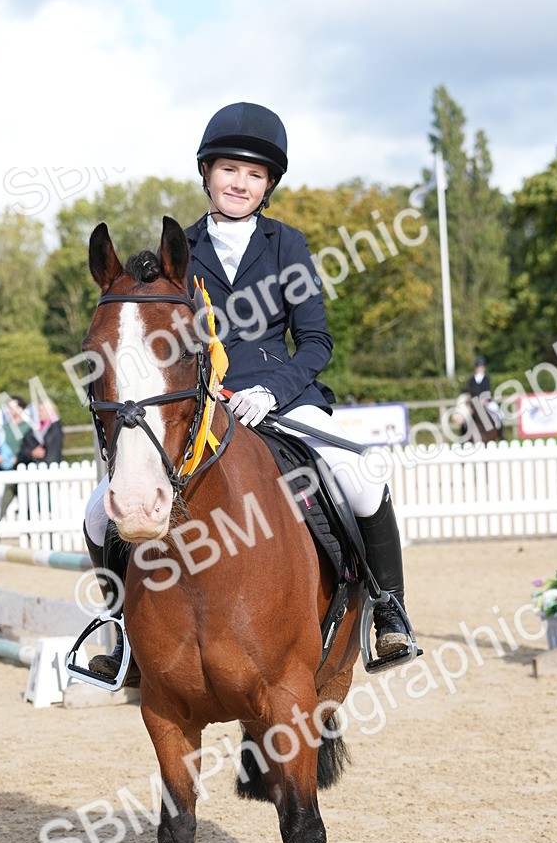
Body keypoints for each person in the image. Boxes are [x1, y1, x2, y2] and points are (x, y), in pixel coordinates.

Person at [84, 102, 413, 682]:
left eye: (255, 174)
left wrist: (270, 389)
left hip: (285, 398)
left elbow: (315, 341)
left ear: (269, 184)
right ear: (207, 174)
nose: (240, 183)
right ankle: (121, 634)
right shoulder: (175, 254)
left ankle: (389, 610)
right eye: (229, 170)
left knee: (363, 476)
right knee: (95, 513)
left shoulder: (288, 245)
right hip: (201, 407)